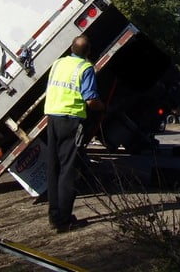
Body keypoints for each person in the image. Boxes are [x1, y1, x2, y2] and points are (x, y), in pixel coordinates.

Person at [44, 34, 104, 233]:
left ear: (71, 47)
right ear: (88, 52)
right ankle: (64, 220)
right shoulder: (86, 68)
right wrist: (103, 107)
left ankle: (54, 216)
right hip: (71, 121)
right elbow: (90, 100)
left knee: (53, 168)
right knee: (68, 170)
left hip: (52, 118)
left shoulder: (58, 63)